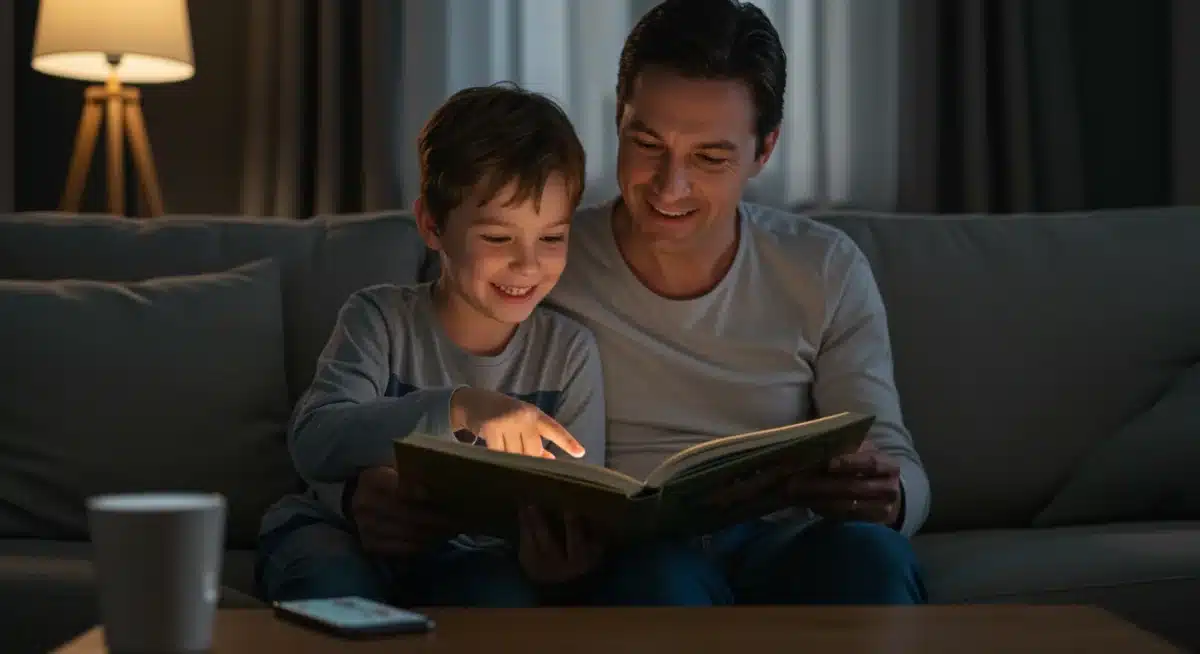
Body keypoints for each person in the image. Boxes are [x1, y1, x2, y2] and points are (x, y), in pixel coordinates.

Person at [539, 0, 931, 604]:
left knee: (874, 558)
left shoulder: (824, 267)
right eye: (646, 143)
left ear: (764, 150)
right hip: (636, 556)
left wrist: (888, 492)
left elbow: (898, 460)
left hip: (784, 543)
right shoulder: (543, 260)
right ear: (618, 120)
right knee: (658, 583)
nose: (669, 187)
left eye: (710, 158)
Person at [255, 84, 609, 607]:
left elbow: (582, 501)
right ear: (431, 225)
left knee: (501, 601)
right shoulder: (378, 318)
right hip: (336, 533)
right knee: (329, 581)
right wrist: (459, 408)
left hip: (473, 558)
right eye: (497, 238)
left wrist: (558, 557)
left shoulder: (568, 353)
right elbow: (314, 436)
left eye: (551, 238)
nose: (528, 264)